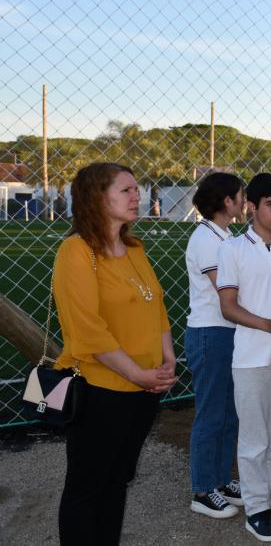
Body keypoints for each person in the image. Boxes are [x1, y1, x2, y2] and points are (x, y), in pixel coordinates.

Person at [53, 162, 178, 546]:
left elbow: (156, 306)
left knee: (118, 480)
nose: (136, 195)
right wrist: (137, 374)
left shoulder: (134, 249)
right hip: (99, 390)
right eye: (126, 190)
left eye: (136, 189)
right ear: (97, 197)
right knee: (87, 486)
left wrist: (166, 360)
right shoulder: (76, 251)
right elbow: (87, 329)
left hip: (143, 390)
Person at [216, 173, 271, 541]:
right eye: (270, 204)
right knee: (256, 437)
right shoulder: (233, 249)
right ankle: (257, 507)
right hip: (252, 357)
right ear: (251, 206)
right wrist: (267, 324)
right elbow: (227, 307)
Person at [184, 172, 245, 519]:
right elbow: (227, 287)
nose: (243, 202)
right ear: (227, 201)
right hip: (211, 332)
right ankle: (203, 488)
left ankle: (221, 479)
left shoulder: (224, 235)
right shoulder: (206, 238)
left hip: (226, 331)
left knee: (228, 412)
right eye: (240, 196)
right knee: (211, 412)